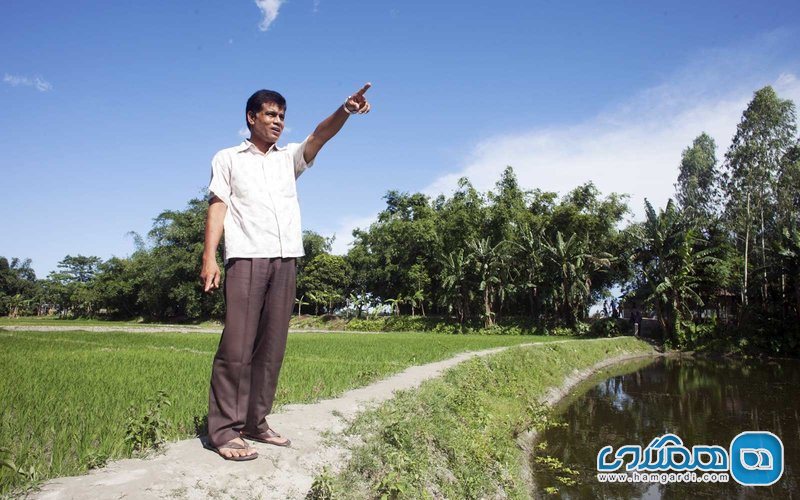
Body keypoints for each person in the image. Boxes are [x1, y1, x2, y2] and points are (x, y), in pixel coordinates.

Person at [200, 83, 372, 460]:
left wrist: (344, 109)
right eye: (271, 115)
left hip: (286, 259)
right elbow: (217, 206)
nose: (278, 122)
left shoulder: (288, 158)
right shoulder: (228, 158)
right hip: (246, 257)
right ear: (252, 117)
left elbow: (320, 135)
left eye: (282, 116)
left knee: (272, 347)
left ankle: (255, 422)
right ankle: (224, 430)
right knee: (236, 346)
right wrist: (209, 257)